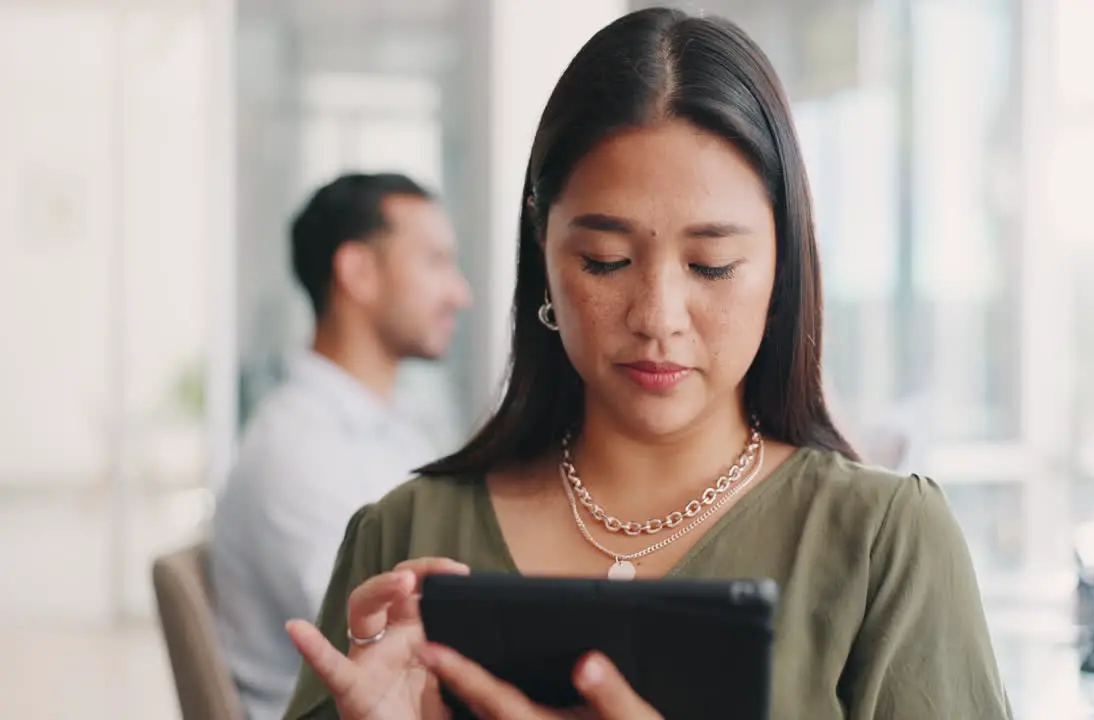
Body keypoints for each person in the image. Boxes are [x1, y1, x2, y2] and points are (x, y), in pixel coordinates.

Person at [283, 9, 1010, 719]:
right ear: (543, 251)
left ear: (782, 266)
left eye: (713, 265)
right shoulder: (403, 537)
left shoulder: (883, 543)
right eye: (607, 261)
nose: (657, 315)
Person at [211, 172, 472, 720]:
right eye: (435, 263)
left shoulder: (393, 428)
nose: (459, 293)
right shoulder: (296, 453)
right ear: (358, 272)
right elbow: (381, 642)